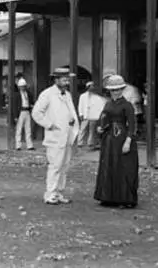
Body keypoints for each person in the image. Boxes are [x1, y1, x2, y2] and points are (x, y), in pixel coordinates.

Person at [32, 67, 79, 205]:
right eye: (64, 79)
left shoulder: (67, 94)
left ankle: (59, 192)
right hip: (55, 135)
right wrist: (49, 124)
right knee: (55, 165)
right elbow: (36, 113)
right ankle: (50, 193)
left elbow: (69, 111)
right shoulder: (47, 94)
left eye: (67, 79)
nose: (66, 81)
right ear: (56, 79)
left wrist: (72, 122)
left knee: (64, 166)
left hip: (67, 134)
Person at [94, 74, 139, 208]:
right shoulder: (108, 104)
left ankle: (124, 199)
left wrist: (128, 141)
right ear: (110, 91)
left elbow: (132, 125)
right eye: (113, 90)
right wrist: (99, 128)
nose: (116, 92)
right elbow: (103, 118)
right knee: (108, 166)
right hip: (109, 140)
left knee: (123, 167)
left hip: (122, 138)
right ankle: (107, 197)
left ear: (122, 89)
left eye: (119, 89)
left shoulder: (127, 105)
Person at [78, 81, 106, 150]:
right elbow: (80, 105)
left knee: (92, 130)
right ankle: (80, 143)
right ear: (88, 87)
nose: (92, 87)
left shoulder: (96, 96)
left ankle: (90, 143)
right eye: (91, 86)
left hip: (93, 116)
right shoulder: (82, 96)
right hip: (85, 115)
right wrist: (80, 114)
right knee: (82, 129)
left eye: (93, 86)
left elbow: (100, 105)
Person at [14, 77, 35, 151]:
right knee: (19, 129)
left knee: (28, 129)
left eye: (24, 86)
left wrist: (32, 106)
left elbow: (32, 102)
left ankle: (29, 145)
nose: (23, 88)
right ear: (19, 87)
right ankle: (18, 145)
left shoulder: (28, 93)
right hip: (20, 112)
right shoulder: (16, 95)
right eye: (21, 86)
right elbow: (15, 106)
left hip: (27, 111)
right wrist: (15, 116)